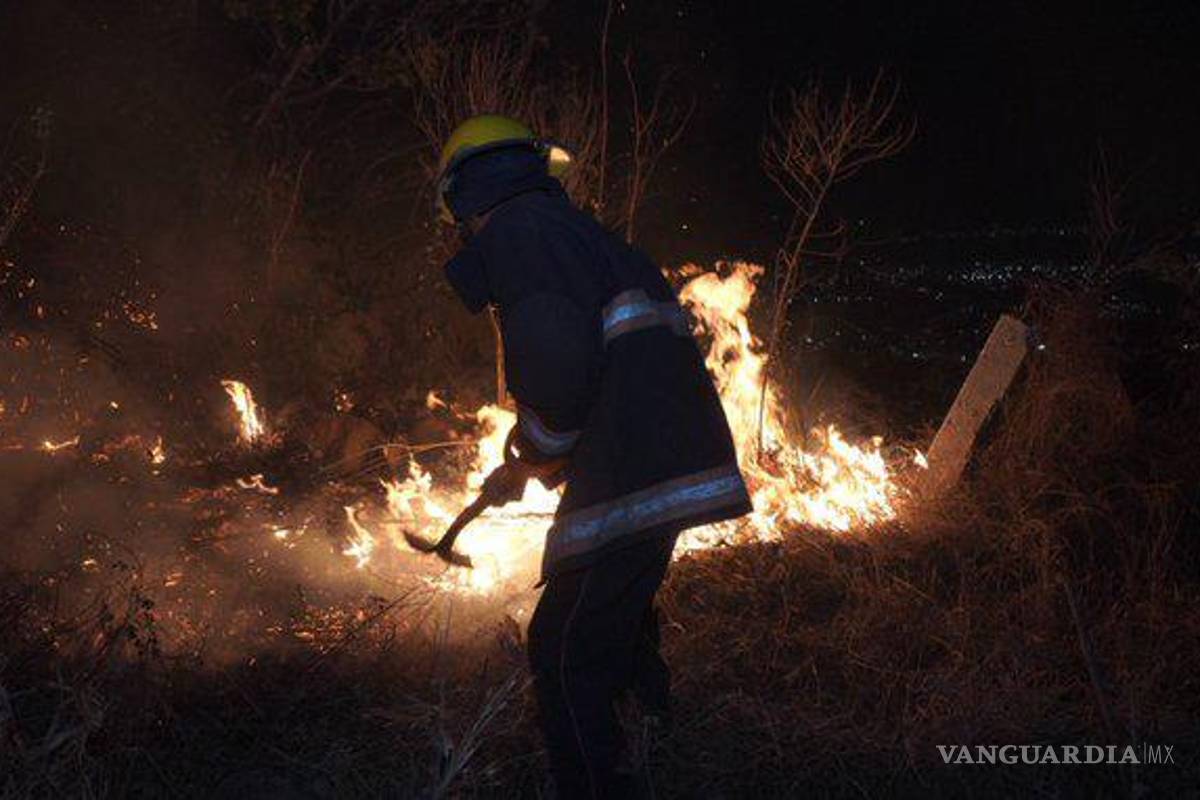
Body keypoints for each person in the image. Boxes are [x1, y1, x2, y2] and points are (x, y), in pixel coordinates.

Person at [436, 114, 752, 798]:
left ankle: (601, 784)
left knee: (563, 648)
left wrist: (541, 449)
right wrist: (530, 461)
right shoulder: (580, 237)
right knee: (618, 607)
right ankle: (652, 727)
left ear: (466, 194)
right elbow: (605, 364)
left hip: (633, 471)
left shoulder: (522, 238)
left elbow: (555, 364)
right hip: (661, 457)